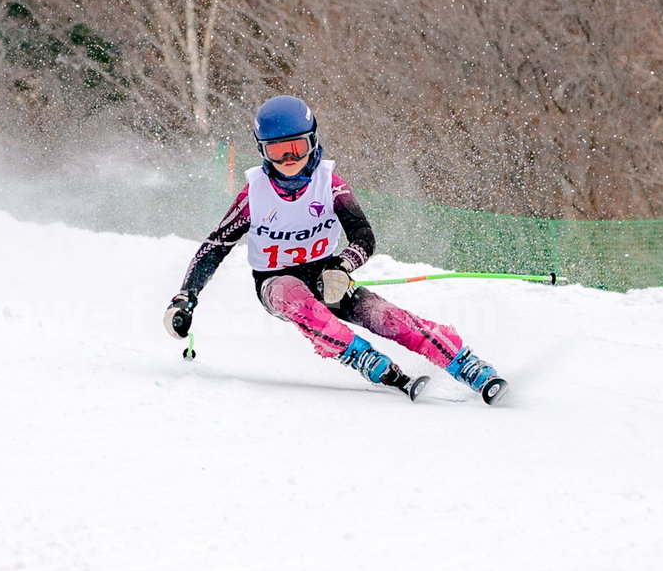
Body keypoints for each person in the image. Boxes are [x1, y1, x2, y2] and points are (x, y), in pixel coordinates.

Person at [164, 96, 508, 404]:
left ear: (312, 143)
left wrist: (342, 267)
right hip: (274, 281)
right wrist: (185, 298)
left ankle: (465, 363)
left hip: (327, 273)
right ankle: (361, 356)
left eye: (297, 147)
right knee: (292, 294)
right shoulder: (254, 194)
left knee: (383, 315)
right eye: (277, 150)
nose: (288, 159)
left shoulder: (329, 183)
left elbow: (363, 235)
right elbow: (215, 247)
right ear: (262, 151)